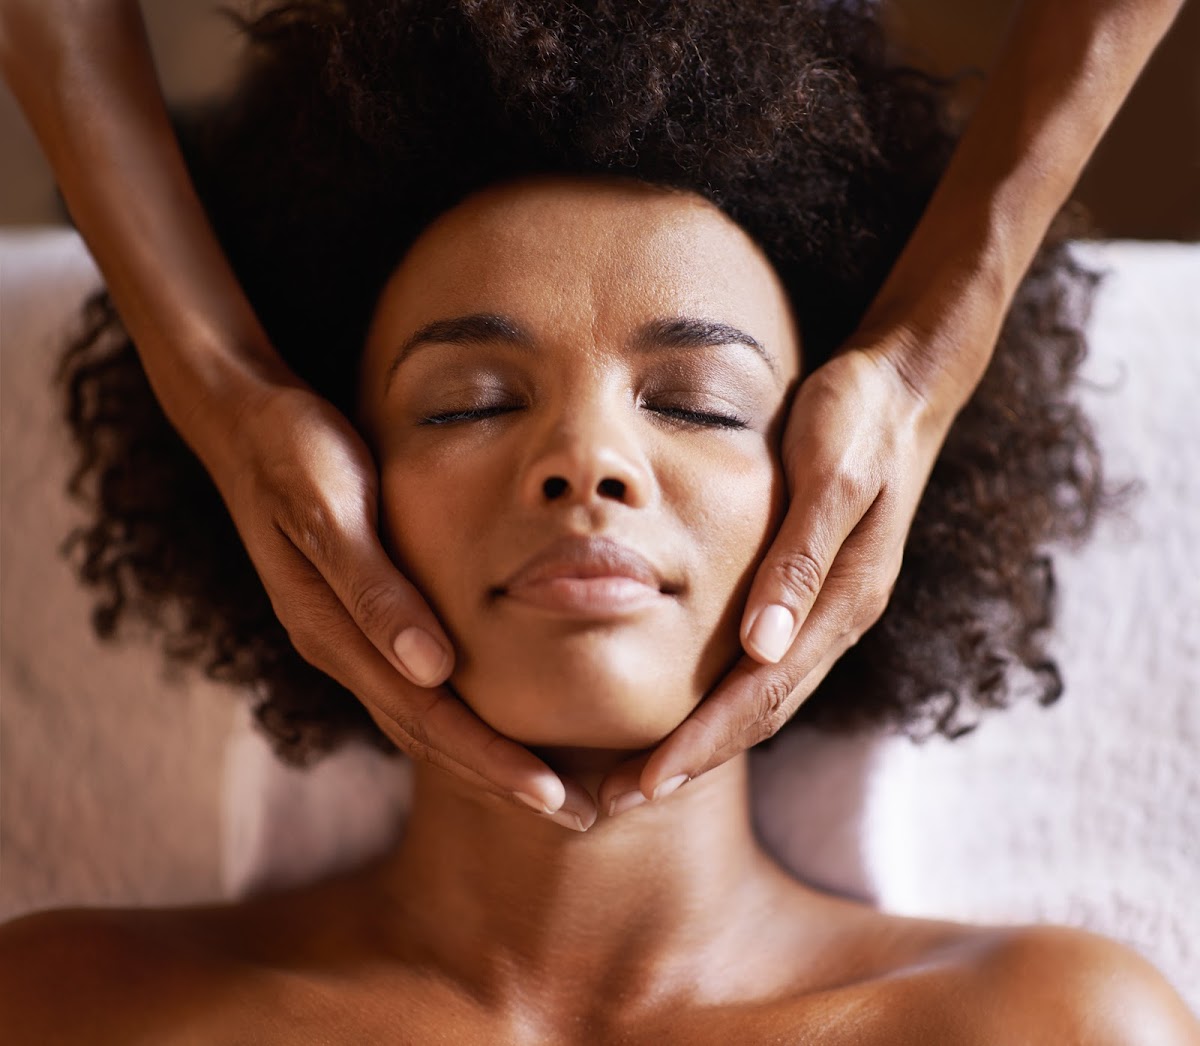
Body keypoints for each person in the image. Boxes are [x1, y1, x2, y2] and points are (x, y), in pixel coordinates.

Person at [2, 3, 1198, 1039]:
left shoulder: (1052, 1025)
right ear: (318, 496)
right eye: (469, 404)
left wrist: (948, 338)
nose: (587, 462)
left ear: (845, 491)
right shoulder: (67, 1007)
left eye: (696, 403)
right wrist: (213, 377)